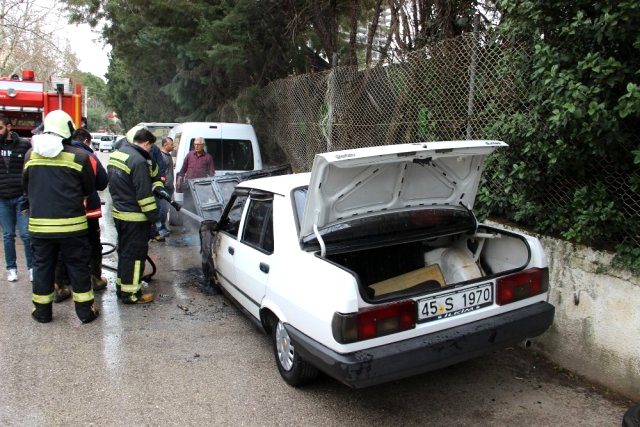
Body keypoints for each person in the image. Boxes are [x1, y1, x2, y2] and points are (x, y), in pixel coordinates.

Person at [23, 110, 99, 323]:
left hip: (39, 228)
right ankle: (85, 313)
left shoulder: (31, 156)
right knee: (78, 267)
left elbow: (25, 187)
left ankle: (42, 313)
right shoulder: (81, 156)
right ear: (68, 131)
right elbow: (89, 187)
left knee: (42, 268)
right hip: (72, 227)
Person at [53, 128, 109, 302]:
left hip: (63, 211)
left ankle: (60, 284)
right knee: (93, 243)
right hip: (88, 210)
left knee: (62, 247)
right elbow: (102, 183)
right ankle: (95, 278)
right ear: (86, 141)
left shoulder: (57, 153)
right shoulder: (89, 156)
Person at [108, 127, 159, 304]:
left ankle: (122, 287)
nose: (150, 150)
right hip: (135, 218)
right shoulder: (138, 161)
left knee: (125, 254)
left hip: (120, 214)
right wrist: (154, 218)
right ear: (145, 143)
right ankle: (132, 294)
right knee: (136, 256)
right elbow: (144, 196)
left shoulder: (119, 154)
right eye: (150, 147)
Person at [0, 114, 33, 282]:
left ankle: (31, 268)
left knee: (26, 234)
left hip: (21, 197)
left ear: (9, 127)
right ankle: (11, 268)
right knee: (7, 235)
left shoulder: (24, 145)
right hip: (2, 200)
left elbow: (30, 171)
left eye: (0, 128)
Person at [176, 137, 214, 212]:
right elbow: (183, 169)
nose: (196, 146)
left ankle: (197, 222)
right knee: (187, 206)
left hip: (200, 187)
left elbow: (211, 174)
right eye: (195, 144)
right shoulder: (189, 155)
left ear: (203, 145)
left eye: (198, 145)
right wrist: (179, 179)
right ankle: (186, 222)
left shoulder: (208, 157)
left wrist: (209, 187)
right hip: (188, 186)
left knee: (199, 207)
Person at [157, 137, 174, 237]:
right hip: (164, 187)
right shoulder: (161, 157)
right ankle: (160, 229)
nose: (173, 146)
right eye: (171, 144)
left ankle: (164, 227)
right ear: (165, 145)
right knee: (162, 209)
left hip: (169, 186)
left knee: (166, 208)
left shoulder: (169, 156)